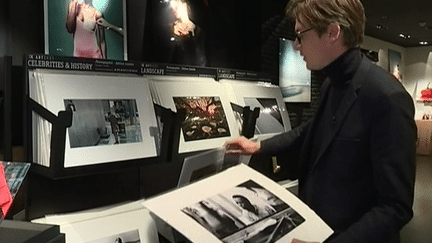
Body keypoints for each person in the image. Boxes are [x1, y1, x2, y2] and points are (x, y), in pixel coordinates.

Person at [224, 0, 417, 242]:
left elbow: (394, 207)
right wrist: (259, 146)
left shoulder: (387, 98)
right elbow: (313, 130)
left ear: (332, 32)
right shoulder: (331, 84)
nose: (296, 46)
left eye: (300, 35)